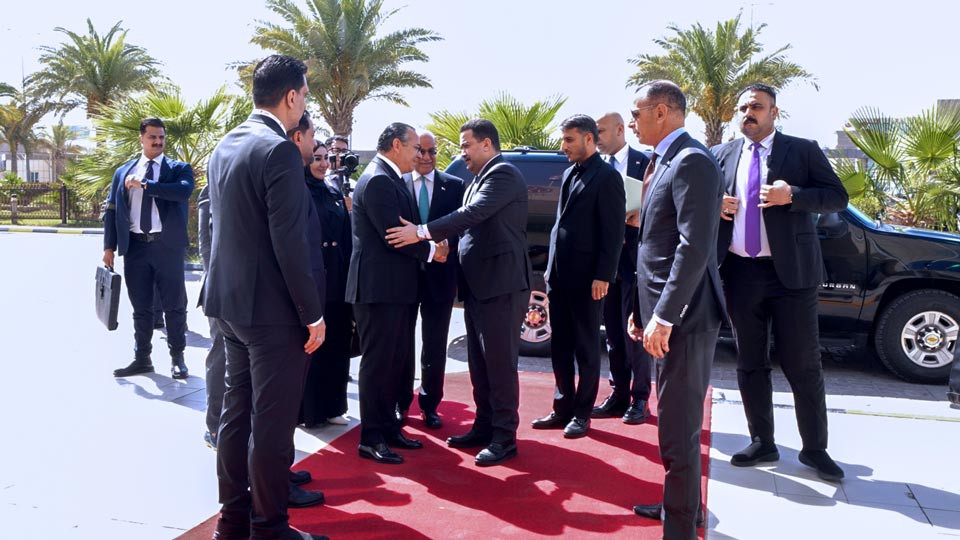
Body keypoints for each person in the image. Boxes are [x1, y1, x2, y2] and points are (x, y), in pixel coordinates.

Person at [202, 54, 328, 540]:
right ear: (292, 96)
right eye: (306, 95)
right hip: (271, 314)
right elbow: (289, 244)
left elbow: (218, 229)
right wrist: (312, 314)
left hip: (229, 306)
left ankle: (232, 523)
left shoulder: (225, 144)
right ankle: (269, 527)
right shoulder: (277, 150)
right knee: (272, 429)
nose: (305, 105)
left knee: (236, 419)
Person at [712, 83, 848, 482]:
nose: (747, 113)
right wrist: (716, 205)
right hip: (740, 272)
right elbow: (699, 201)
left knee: (803, 363)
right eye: (742, 107)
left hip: (791, 276)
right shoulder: (722, 154)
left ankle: (815, 449)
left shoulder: (801, 149)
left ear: (774, 112)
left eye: (756, 106)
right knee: (750, 362)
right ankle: (762, 441)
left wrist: (795, 195)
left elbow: (837, 197)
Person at [386, 118, 533, 467]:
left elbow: (473, 214)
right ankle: (484, 427)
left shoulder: (503, 174)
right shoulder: (478, 178)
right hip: (480, 287)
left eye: (466, 145)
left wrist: (422, 232)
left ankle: (504, 437)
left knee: (498, 365)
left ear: (486, 144)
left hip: (502, 285)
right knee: (480, 365)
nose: (461, 152)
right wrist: (443, 245)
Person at [625, 80, 725, 540]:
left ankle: (680, 529)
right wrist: (642, 311)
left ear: (662, 111)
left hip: (683, 318)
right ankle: (681, 505)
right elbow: (652, 244)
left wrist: (663, 316)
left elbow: (693, 246)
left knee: (679, 429)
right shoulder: (664, 159)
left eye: (637, 112)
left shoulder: (691, 161)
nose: (632, 120)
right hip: (662, 312)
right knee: (673, 421)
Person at [346, 123, 449, 465]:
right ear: (395, 145)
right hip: (378, 291)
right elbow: (396, 236)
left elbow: (407, 231)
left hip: (396, 290)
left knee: (394, 363)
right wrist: (435, 252)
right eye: (414, 148)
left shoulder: (390, 178)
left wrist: (427, 244)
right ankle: (370, 437)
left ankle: (389, 428)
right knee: (377, 365)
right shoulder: (377, 179)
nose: (419, 155)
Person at [532, 114, 625, 439]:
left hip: (589, 281)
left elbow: (613, 234)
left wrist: (604, 275)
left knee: (586, 348)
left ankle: (582, 414)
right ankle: (562, 408)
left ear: (589, 139)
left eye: (569, 140)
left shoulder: (607, 177)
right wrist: (549, 268)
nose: (563, 146)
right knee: (560, 346)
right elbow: (560, 225)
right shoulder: (570, 172)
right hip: (560, 278)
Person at [103, 117, 194, 380]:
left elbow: (182, 192)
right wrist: (109, 246)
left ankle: (178, 358)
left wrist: (145, 185)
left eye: (162, 137)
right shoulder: (122, 172)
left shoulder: (178, 169)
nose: (158, 141)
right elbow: (111, 209)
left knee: (174, 307)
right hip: (135, 249)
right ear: (141, 138)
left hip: (167, 248)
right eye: (152, 137)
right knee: (141, 307)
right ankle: (142, 358)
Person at [395, 131, 465, 430]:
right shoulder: (397, 185)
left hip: (441, 277)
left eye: (431, 151)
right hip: (405, 276)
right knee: (402, 343)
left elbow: (463, 224)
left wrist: (449, 242)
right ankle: (400, 403)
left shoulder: (455, 186)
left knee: (435, 344)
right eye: (420, 151)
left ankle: (430, 403)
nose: (425, 157)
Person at [593, 112, 653, 424]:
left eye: (600, 131)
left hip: (637, 264)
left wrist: (643, 219)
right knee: (613, 334)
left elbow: (665, 209)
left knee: (636, 333)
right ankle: (618, 393)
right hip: (606, 266)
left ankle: (641, 397)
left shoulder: (648, 162)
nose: (596, 136)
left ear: (619, 129)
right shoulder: (594, 168)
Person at [298, 134, 353, 429]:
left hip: (338, 278)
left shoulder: (333, 190)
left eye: (326, 159)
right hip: (311, 277)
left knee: (337, 344)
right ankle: (309, 411)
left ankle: (334, 405)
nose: (322, 164)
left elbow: (346, 236)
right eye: (316, 158)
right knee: (312, 346)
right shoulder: (297, 190)